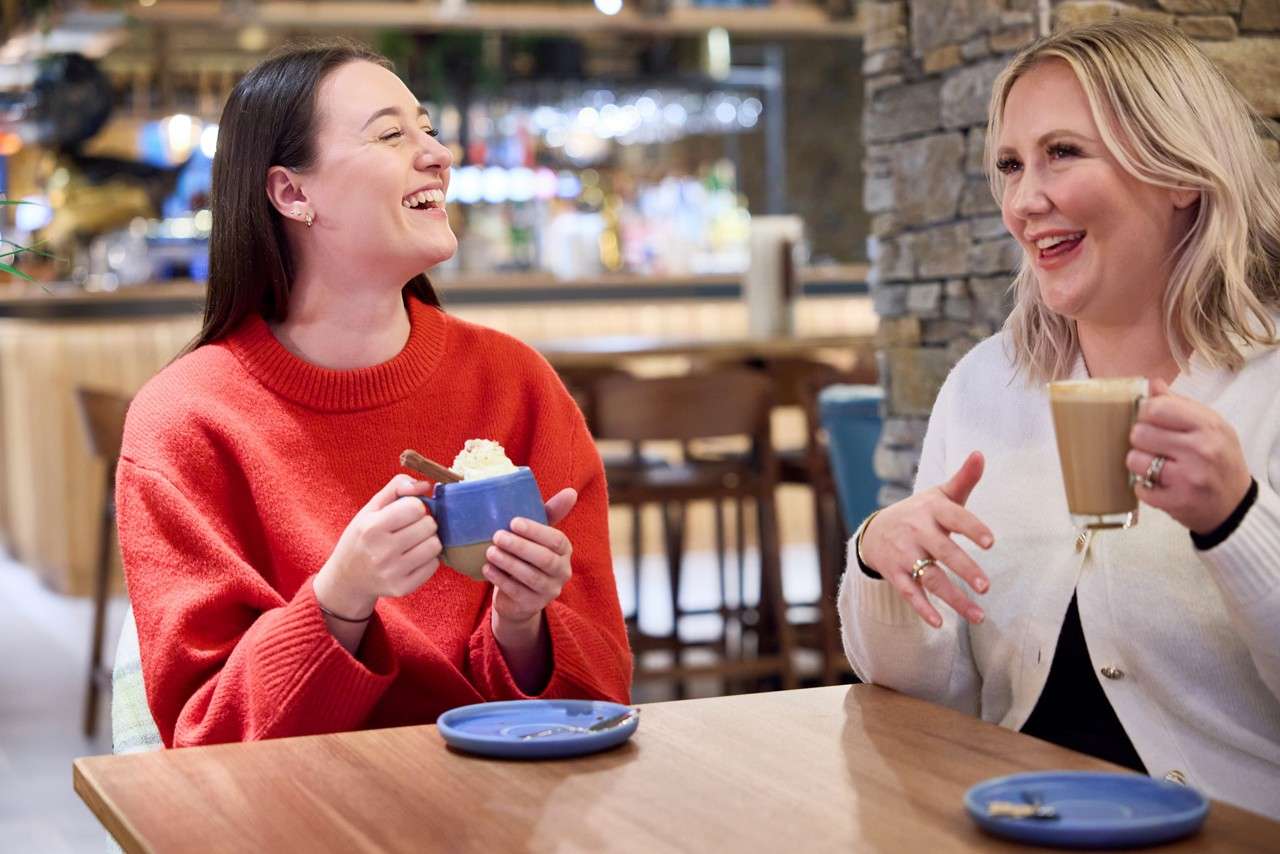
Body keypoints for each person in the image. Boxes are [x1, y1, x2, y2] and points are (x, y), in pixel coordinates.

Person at [117, 40, 632, 748]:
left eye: (427, 128)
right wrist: (341, 598)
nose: (437, 156)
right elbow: (204, 739)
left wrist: (523, 626)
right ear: (293, 193)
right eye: (391, 135)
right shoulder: (186, 422)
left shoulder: (519, 386)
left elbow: (603, 699)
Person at [839, 20, 1280, 818]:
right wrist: (882, 562)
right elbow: (930, 694)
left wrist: (1236, 520)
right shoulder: (985, 386)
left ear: (1179, 173)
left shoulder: (1267, 388)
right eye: (1010, 165)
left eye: (1062, 153)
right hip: (1016, 821)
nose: (1022, 200)